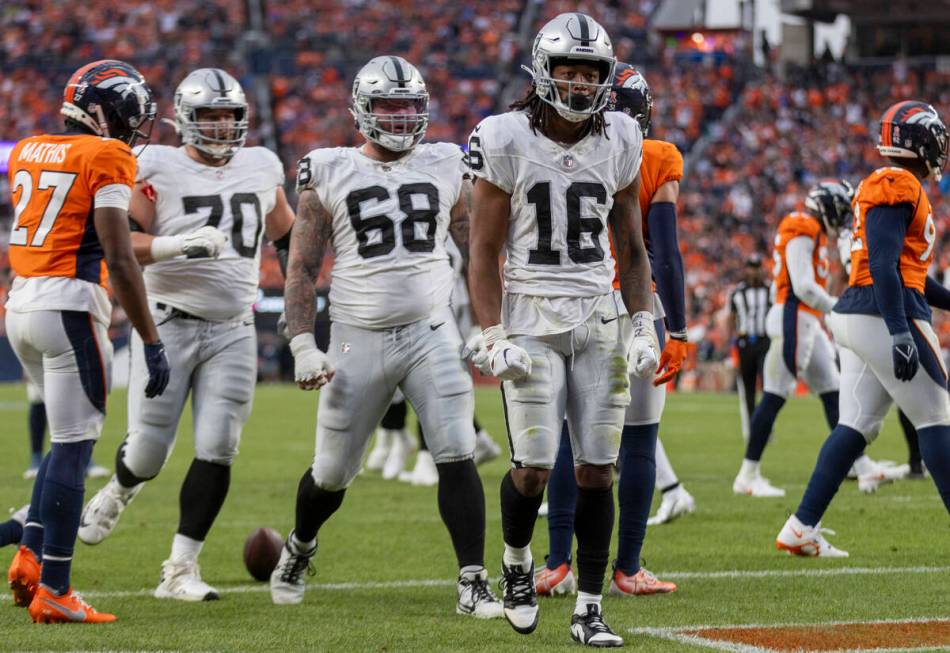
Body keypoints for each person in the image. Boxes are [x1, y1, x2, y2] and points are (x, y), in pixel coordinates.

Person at [269, 56, 502, 620]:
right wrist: (302, 342)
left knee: (456, 448)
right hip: (356, 337)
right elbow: (301, 268)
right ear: (360, 111)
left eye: (408, 107)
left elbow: (478, 251)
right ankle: (299, 546)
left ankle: (473, 581)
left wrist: (493, 327)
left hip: (431, 331)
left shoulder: (448, 162)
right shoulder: (328, 168)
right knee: (331, 474)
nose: (399, 119)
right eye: (387, 107)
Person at [466, 13, 659, 647]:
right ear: (543, 74)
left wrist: (641, 323)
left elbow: (631, 248)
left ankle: (590, 607)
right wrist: (493, 334)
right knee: (535, 466)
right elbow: (483, 249)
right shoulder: (503, 137)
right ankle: (518, 564)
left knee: (599, 469)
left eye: (591, 73)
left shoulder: (622, 139)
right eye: (568, 71)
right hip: (530, 315)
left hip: (598, 317)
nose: (579, 85)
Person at [77, 68, 294, 602]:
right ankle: (121, 488)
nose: (221, 127)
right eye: (209, 116)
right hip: (167, 320)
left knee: (220, 445)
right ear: (185, 119)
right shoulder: (157, 165)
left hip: (234, 328)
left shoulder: (262, 165)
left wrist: (297, 302)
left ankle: (180, 569)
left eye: (229, 116)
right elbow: (123, 243)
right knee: (149, 453)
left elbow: (289, 237)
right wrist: (178, 246)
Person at [5, 59, 170, 623]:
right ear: (105, 111)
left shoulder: (29, 148)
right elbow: (119, 257)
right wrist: (151, 340)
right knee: (76, 448)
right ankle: (55, 587)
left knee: (62, 440)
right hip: (71, 307)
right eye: (129, 115)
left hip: (20, 306)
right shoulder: (108, 154)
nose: (133, 129)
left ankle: (27, 551)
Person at [535, 64, 688, 602]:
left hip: (583, 302)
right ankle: (627, 567)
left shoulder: (563, 150)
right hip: (642, 304)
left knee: (566, 437)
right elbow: (662, 253)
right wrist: (682, 328)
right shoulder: (656, 157)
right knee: (641, 438)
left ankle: (557, 563)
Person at [777, 101, 950, 556]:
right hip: (881, 312)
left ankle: (800, 527)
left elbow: (909, 271)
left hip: (859, 313)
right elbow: (883, 264)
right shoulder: (897, 182)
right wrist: (898, 331)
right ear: (920, 141)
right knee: (936, 418)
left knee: (857, 424)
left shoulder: (895, 184)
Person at [732, 181, 854, 497]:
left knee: (833, 390)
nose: (840, 220)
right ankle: (748, 473)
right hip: (794, 318)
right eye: (839, 212)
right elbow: (802, 285)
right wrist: (837, 308)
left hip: (805, 320)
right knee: (775, 394)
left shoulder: (810, 229)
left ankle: (857, 465)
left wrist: (824, 314)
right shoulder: (803, 225)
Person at [728, 255, 770, 441]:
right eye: (751, 267)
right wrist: (732, 338)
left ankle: (766, 427)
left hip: (765, 342)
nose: (754, 271)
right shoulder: (738, 292)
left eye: (757, 267)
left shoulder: (770, 290)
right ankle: (753, 429)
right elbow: (732, 316)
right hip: (745, 343)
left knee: (768, 386)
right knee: (748, 389)